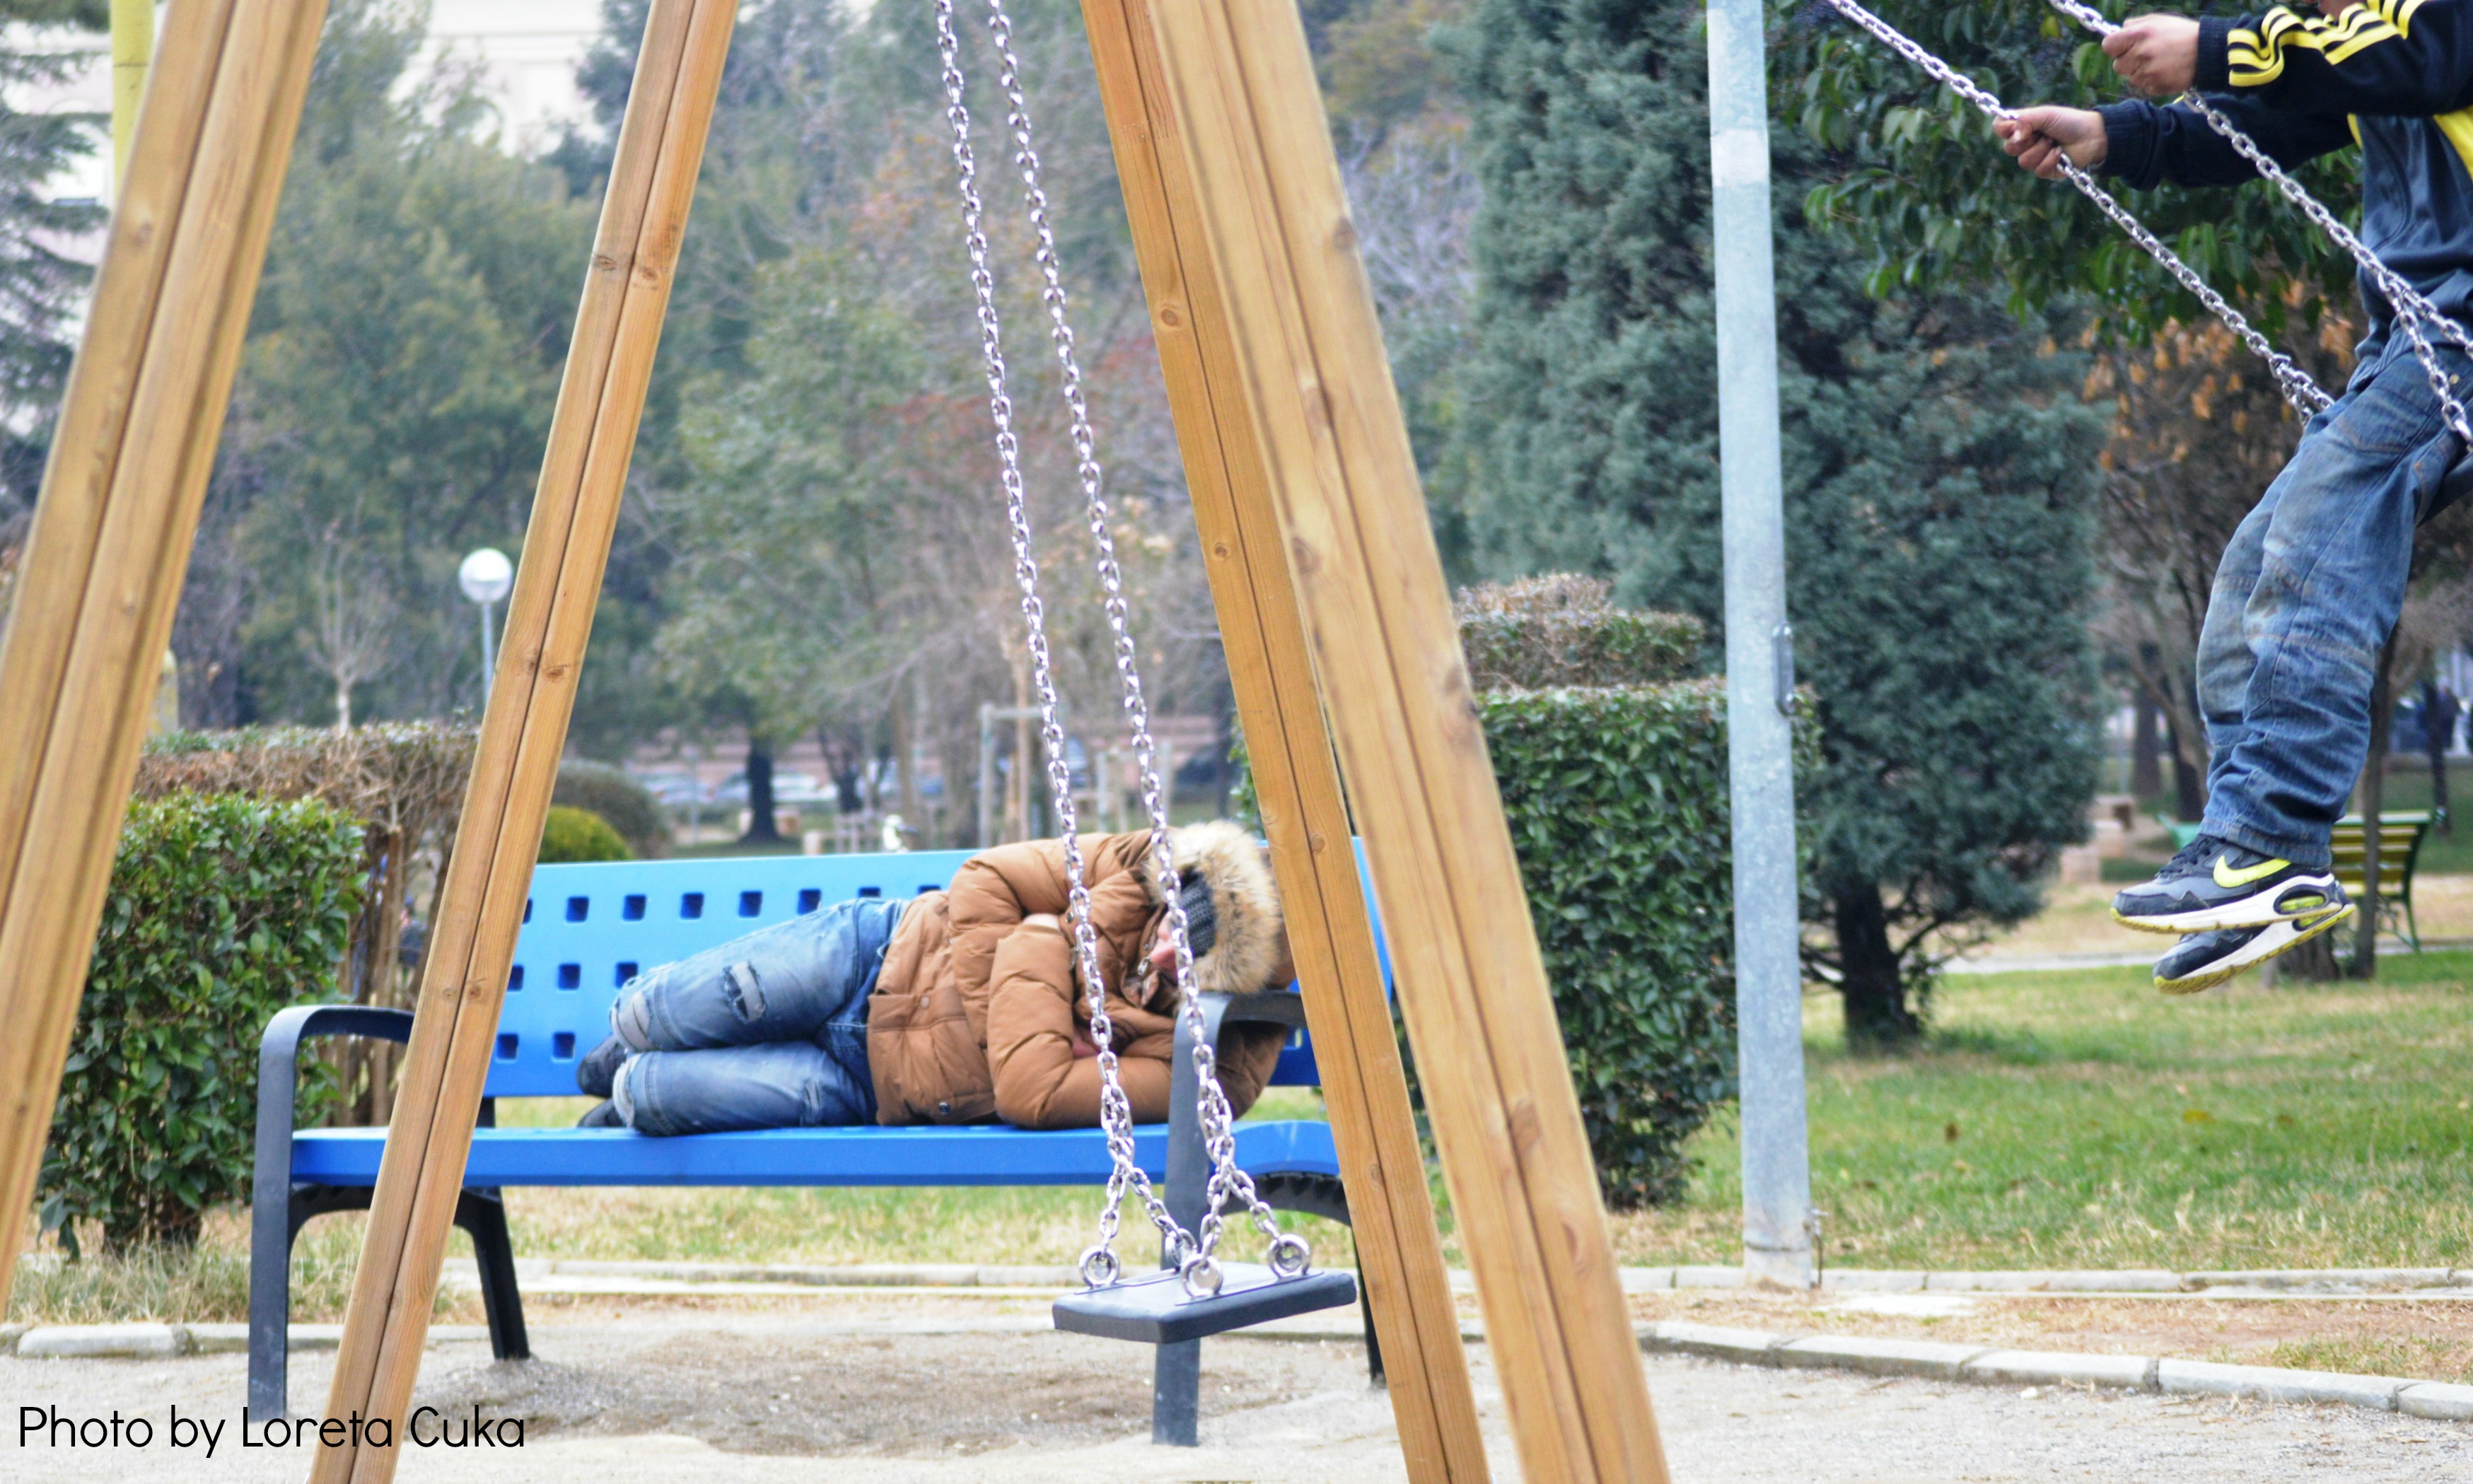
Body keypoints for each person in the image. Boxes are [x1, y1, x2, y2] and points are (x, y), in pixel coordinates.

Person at [1993, 2, 2473, 992]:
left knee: (2318, 543)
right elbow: (2253, 124)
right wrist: (2108, 135)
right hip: (2414, 341)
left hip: (2457, 344)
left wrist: (2214, 47)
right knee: (2254, 569)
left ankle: (2270, 839)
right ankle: (2250, 865)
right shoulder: (2358, 54)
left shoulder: (2426, 32)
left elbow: (2419, 58)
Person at [572, 820, 1293, 1135]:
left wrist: (1040, 935)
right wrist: (1021, 1020)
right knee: (642, 1016)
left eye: (1188, 967)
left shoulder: (1211, 1069)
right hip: (870, 954)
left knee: (648, 1091)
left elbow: (1032, 1092)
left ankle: (636, 1091)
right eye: (1171, 930)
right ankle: (637, 1041)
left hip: (874, 1084)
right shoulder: (1142, 864)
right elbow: (985, 878)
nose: (1163, 955)